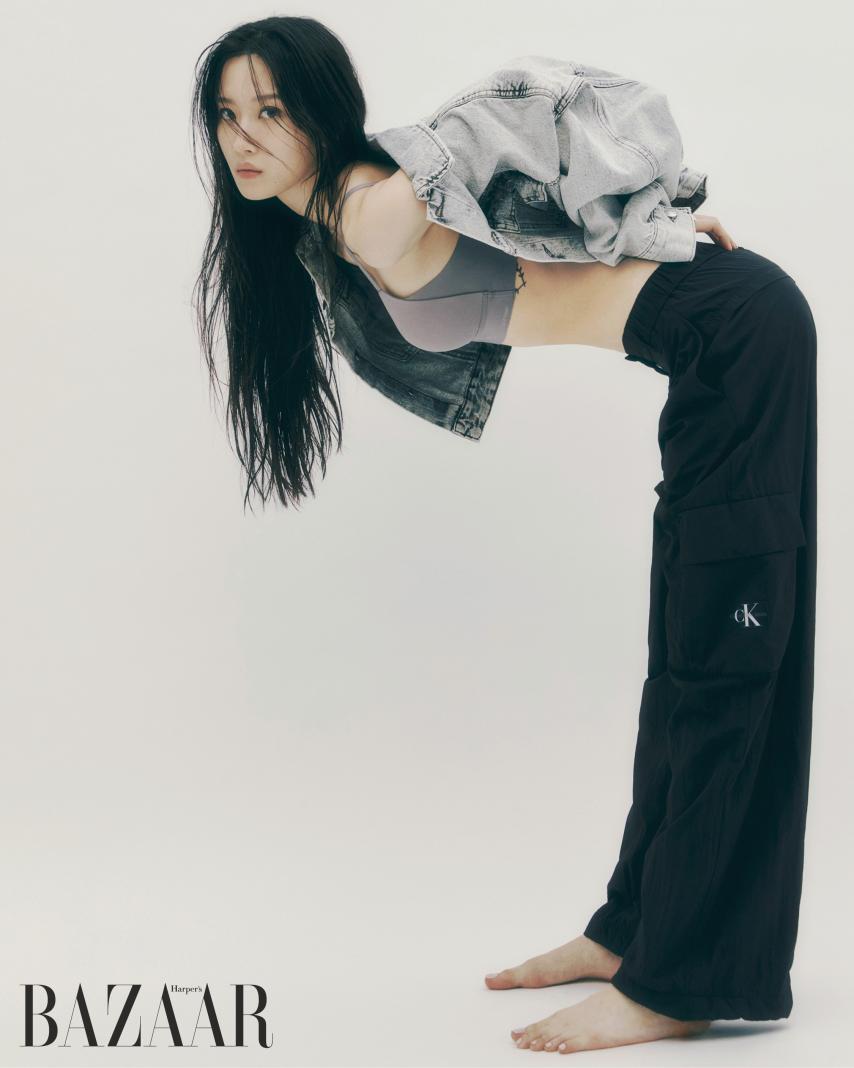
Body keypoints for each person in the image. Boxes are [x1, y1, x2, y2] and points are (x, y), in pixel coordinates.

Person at [190, 16, 817, 1056]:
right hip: (706, 351)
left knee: (723, 664)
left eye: (271, 109)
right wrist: (640, 228)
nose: (243, 136)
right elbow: (525, 211)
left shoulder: (366, 210)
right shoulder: (327, 225)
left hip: (739, 338)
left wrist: (655, 205)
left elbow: (523, 103)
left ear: (321, 112)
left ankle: (684, 980)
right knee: (683, 659)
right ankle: (628, 933)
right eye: (225, 114)